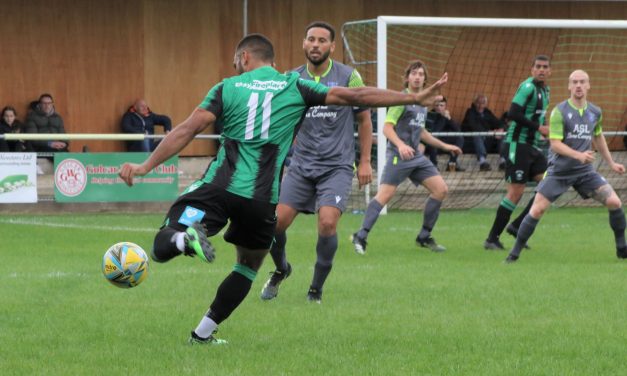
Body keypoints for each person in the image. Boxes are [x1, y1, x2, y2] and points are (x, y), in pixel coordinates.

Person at [118, 33, 448, 344]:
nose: (236, 66)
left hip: (217, 188)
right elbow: (355, 96)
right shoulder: (296, 86)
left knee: (165, 241)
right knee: (248, 265)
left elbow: (189, 129)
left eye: (236, 60)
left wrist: (146, 166)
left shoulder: (227, 87)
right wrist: (412, 96)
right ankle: (202, 333)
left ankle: (182, 237)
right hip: (261, 201)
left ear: (244, 57)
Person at [259, 21, 373, 303]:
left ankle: (315, 290)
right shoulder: (291, 78)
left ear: (332, 47)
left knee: (327, 224)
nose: (315, 45)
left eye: (322, 40)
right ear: (303, 43)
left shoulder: (349, 76)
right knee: (273, 225)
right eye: (311, 39)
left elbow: (364, 118)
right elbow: (280, 122)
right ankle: (281, 269)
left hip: (336, 167)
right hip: (300, 167)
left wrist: (366, 161)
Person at [505, 70, 626, 263]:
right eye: (575, 82)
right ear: (569, 86)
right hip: (558, 172)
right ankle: (514, 254)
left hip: (585, 172)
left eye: (582, 82)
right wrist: (579, 155)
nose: (578, 85)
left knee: (615, 202)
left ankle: (622, 248)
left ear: (589, 85)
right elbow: (555, 144)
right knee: (536, 210)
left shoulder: (595, 112)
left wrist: (611, 163)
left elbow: (598, 136)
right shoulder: (559, 111)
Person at [350, 59, 462, 256]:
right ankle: (361, 235)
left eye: (421, 74)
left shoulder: (421, 104)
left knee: (440, 190)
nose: (418, 77)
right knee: (384, 196)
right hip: (398, 157)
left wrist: (446, 146)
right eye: (414, 73)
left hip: (416, 157)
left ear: (425, 79)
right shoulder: (401, 100)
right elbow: (386, 128)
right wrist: (400, 145)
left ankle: (424, 236)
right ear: (407, 77)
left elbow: (422, 133)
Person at [484, 55, 551, 250]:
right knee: (516, 192)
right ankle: (491, 239)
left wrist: (545, 132)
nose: (541, 70)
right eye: (538, 66)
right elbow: (513, 113)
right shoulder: (528, 87)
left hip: (532, 146)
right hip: (517, 144)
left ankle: (517, 226)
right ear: (532, 69)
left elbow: (538, 119)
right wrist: (539, 129)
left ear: (550, 71)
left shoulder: (546, 90)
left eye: (545, 67)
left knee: (548, 185)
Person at [461, 94, 505, 171]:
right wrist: (490, 132)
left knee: (503, 135)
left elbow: (498, 122)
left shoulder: (487, 112)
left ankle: (503, 160)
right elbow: (474, 127)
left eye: (483, 103)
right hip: (471, 143)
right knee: (477, 135)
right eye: (478, 103)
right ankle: (482, 162)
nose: (480, 105)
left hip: (487, 142)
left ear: (486, 104)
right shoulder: (470, 112)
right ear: (474, 103)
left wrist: (501, 129)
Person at [425, 97, 465, 171]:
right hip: (432, 141)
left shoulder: (446, 115)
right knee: (434, 139)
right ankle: (434, 165)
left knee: (460, 138)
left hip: (444, 140)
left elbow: (457, 130)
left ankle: (452, 163)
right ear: (434, 106)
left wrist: (449, 119)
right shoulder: (430, 115)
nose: (439, 108)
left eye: (441, 105)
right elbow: (436, 131)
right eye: (437, 105)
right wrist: (443, 118)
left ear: (445, 106)